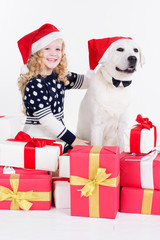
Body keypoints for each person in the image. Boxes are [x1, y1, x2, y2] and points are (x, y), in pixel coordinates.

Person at [17, 23, 90, 153]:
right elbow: (47, 120)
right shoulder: (34, 84)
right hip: (38, 141)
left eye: (58, 49)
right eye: (47, 49)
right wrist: (73, 140)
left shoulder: (59, 76)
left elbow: (88, 82)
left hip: (57, 138)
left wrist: (109, 73)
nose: (53, 53)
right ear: (36, 53)